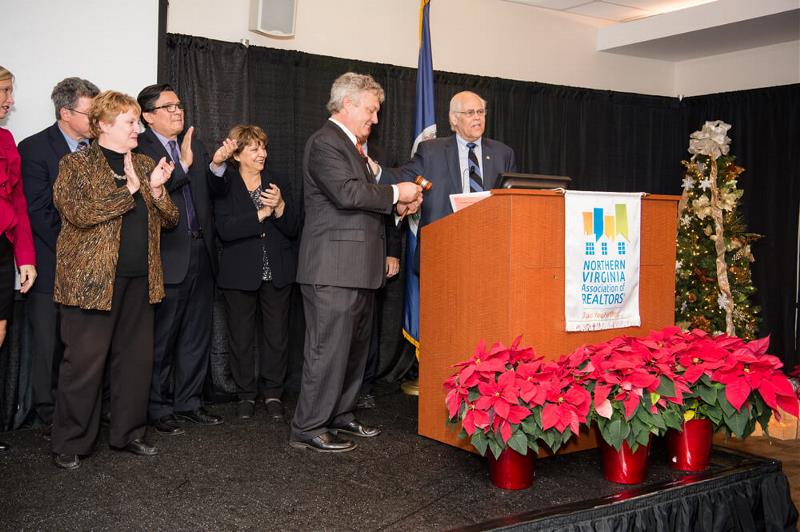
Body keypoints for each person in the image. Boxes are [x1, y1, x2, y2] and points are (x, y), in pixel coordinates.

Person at [290, 72, 422, 453]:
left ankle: (340, 415)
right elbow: (347, 194)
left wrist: (396, 206)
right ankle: (309, 426)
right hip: (332, 270)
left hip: (359, 270)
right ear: (347, 105)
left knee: (352, 352)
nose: (375, 119)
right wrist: (397, 190)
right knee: (327, 351)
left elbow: (364, 203)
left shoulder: (355, 148)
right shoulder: (325, 143)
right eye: (371, 109)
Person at [50, 91, 179, 470]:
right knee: (84, 365)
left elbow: (169, 219)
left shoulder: (143, 162)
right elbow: (78, 213)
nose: (137, 128)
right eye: (130, 122)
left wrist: (155, 189)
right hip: (91, 284)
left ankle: (129, 434)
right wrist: (129, 191)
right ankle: (70, 441)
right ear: (103, 125)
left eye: (138, 121)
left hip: (140, 282)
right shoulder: (75, 164)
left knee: (135, 362)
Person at [135, 84, 231, 436]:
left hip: (201, 252)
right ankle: (157, 408)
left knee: (196, 333)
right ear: (148, 116)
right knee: (162, 336)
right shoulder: (140, 149)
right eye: (169, 106)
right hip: (166, 257)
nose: (178, 111)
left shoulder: (196, 144)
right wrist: (185, 165)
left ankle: (189, 402)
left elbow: (217, 192)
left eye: (179, 105)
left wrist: (217, 166)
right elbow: (151, 195)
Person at [19, 77, 100, 438]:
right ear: (66, 113)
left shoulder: (99, 149)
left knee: (85, 347)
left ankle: (82, 410)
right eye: (90, 113)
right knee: (49, 346)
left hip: (95, 270)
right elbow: (38, 212)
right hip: (52, 265)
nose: (97, 120)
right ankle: (48, 414)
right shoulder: (35, 149)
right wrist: (81, 246)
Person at [214, 125, 299, 421]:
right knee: (241, 337)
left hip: (277, 270)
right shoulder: (225, 183)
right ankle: (246, 394)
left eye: (263, 147)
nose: (262, 153)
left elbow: (292, 228)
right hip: (239, 273)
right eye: (254, 149)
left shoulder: (278, 181)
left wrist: (280, 207)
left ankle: (273, 392)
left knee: (277, 336)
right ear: (237, 155)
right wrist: (260, 214)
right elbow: (225, 229)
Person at [388, 91, 516, 271]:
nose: (478, 118)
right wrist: (376, 172)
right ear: (454, 119)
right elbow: (402, 177)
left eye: (481, 112)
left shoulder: (503, 153)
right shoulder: (431, 151)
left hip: (490, 254)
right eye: (470, 113)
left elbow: (512, 201)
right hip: (442, 252)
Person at [0, 66, 37, 454]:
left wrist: (25, 258)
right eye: (6, 91)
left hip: (2, 254)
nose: (11, 100)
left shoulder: (7, 139)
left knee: (0, 335)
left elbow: (18, 204)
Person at [356, 138, 402, 410]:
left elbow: (390, 211)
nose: (371, 120)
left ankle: (365, 388)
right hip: (345, 256)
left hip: (377, 253)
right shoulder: (331, 150)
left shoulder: (380, 155)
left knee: (370, 327)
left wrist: (393, 251)